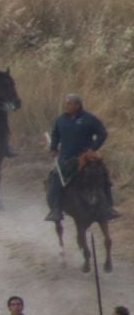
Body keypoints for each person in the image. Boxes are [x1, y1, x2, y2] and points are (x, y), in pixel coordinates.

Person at [45, 91, 112, 224]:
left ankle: (109, 207)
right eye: (67, 103)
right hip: (66, 158)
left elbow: (102, 133)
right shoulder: (60, 120)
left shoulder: (89, 119)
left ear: (78, 104)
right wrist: (53, 147)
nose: (67, 106)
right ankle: (56, 209)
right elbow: (55, 135)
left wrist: (92, 148)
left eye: (70, 104)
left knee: (103, 175)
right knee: (55, 177)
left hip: (86, 158)